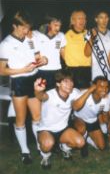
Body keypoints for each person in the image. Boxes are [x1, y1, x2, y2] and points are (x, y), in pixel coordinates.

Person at [0, 11, 47, 164]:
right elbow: (2, 70)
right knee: (20, 119)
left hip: (33, 79)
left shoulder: (30, 39)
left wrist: (42, 60)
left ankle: (40, 146)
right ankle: (25, 151)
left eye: (28, 28)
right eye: (23, 28)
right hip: (18, 81)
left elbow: (38, 56)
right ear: (15, 25)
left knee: (37, 116)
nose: (26, 31)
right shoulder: (6, 44)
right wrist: (22, 70)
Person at [35, 69, 84, 169]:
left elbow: (83, 94)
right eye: (65, 81)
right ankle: (45, 156)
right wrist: (37, 90)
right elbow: (41, 96)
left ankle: (65, 147)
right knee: (47, 144)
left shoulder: (74, 92)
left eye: (71, 81)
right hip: (46, 129)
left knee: (80, 142)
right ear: (58, 84)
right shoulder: (50, 95)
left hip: (63, 129)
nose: (70, 84)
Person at [73, 76, 110, 157]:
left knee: (101, 147)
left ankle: (87, 138)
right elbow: (75, 107)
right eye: (101, 86)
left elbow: (105, 116)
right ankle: (83, 144)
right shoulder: (85, 93)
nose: (104, 89)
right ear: (94, 86)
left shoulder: (106, 100)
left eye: (106, 87)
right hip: (79, 118)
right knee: (81, 128)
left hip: (92, 120)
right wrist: (89, 90)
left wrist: (108, 126)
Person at [84, 10, 110, 82]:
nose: (104, 20)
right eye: (101, 17)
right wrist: (92, 38)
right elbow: (86, 53)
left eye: (106, 17)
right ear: (96, 19)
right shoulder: (89, 33)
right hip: (97, 73)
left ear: (108, 19)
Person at [37, 13, 66, 91]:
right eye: (55, 25)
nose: (58, 28)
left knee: (56, 93)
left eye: (60, 25)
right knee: (42, 93)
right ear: (48, 25)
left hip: (57, 71)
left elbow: (63, 53)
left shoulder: (61, 36)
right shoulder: (37, 35)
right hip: (42, 71)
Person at [63, 10, 91, 89]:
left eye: (84, 18)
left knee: (85, 95)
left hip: (87, 69)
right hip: (72, 70)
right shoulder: (65, 35)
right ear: (72, 21)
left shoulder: (89, 33)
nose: (82, 20)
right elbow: (61, 52)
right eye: (79, 18)